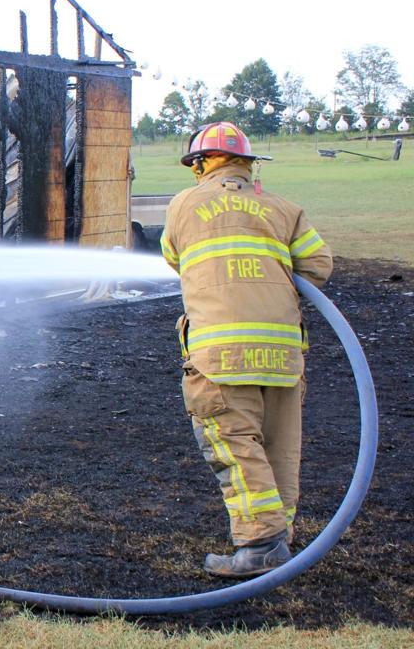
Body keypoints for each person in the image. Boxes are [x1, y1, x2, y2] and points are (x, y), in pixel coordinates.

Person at [160, 121, 333, 578]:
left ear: (201, 164)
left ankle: (260, 546)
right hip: (282, 355)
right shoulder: (283, 209)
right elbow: (317, 266)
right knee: (279, 448)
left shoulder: (184, 205)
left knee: (234, 445)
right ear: (247, 164)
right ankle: (281, 544)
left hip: (220, 355)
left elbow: (174, 256)